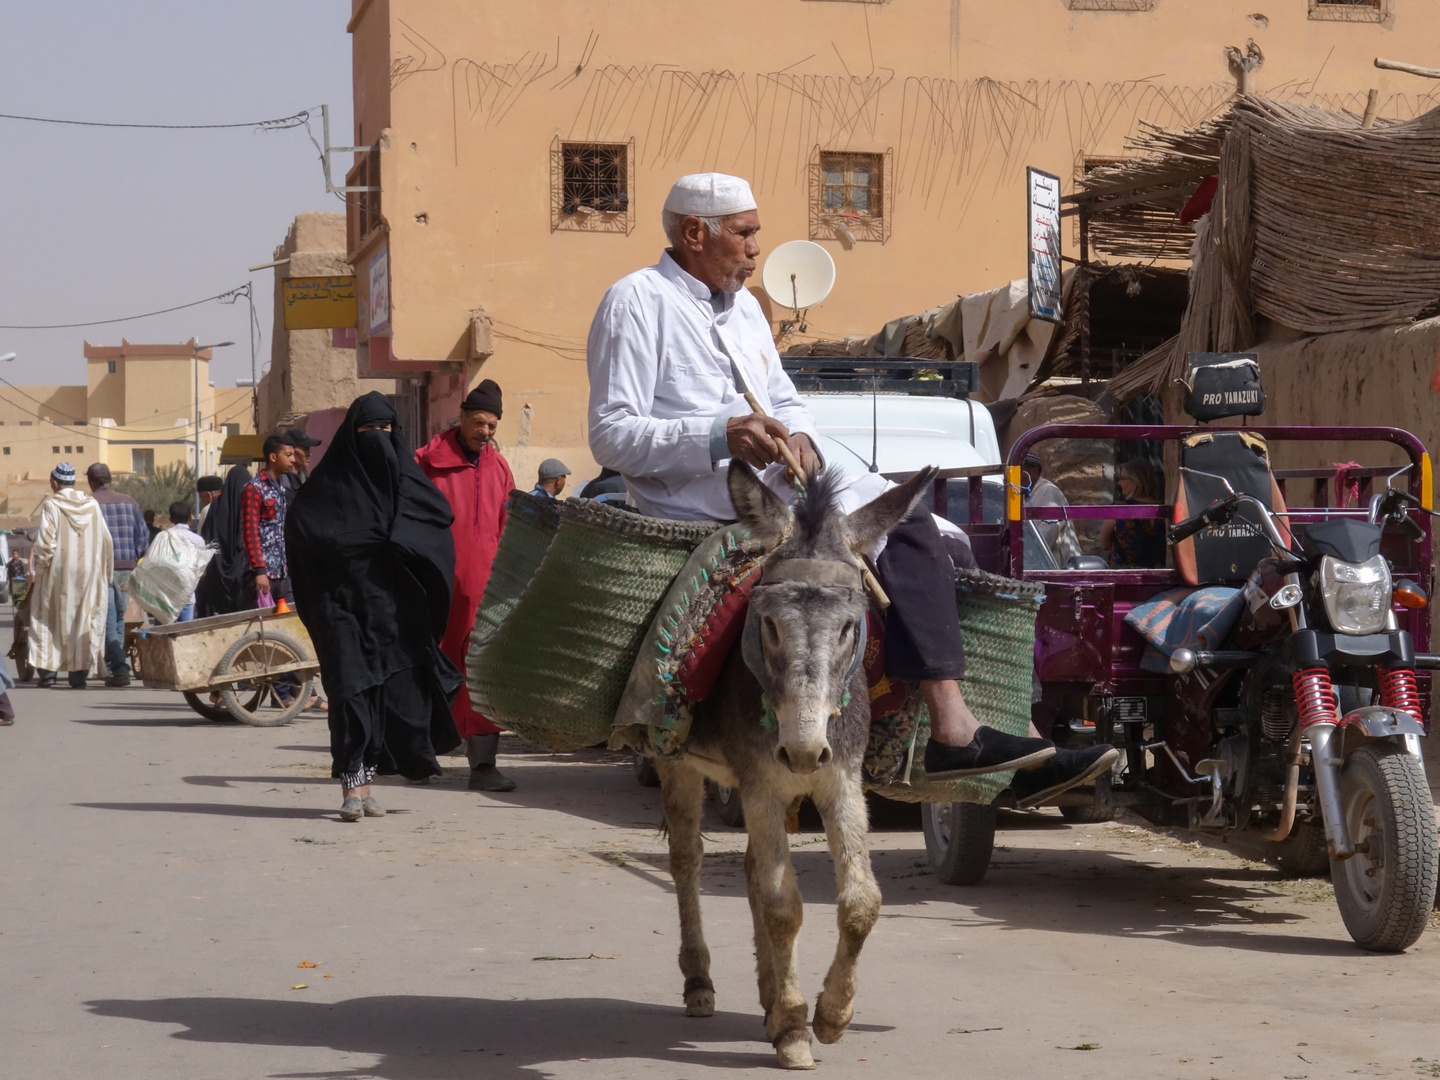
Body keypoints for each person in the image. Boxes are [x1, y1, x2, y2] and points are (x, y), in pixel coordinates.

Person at [586, 172, 1116, 804]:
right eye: (746, 233)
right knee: (909, 525)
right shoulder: (636, 301)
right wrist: (718, 436)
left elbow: (785, 398)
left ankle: (1014, 737)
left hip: (787, 483)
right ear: (696, 233)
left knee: (949, 541)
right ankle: (952, 728)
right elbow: (611, 436)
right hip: (710, 496)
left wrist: (802, 436)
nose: (757, 249)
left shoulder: (749, 310)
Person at [288, 393, 462, 821]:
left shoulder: (409, 488)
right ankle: (351, 785)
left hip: (392, 613)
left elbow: (436, 529)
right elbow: (306, 536)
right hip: (341, 610)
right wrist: (354, 544)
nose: (379, 441)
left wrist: (402, 545)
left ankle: (369, 783)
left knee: (385, 697)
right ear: (352, 435)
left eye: (386, 431)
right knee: (350, 694)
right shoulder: (323, 493)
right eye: (369, 432)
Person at [415, 380, 517, 792]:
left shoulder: (500, 467)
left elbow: (508, 528)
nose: (485, 432)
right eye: (479, 423)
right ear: (462, 416)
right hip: (436, 588)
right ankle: (418, 755)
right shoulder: (426, 462)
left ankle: (483, 765)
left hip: (486, 591)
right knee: (429, 667)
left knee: (483, 671)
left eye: (492, 426)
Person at [29, 464, 112, 689]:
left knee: (48, 620)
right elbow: (106, 540)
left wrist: (41, 569)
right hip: (89, 575)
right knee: (83, 621)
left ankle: (48, 674)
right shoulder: (92, 504)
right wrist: (106, 573)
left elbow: (45, 543)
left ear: (54, 483)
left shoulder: (52, 504)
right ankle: (78, 676)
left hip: (58, 574)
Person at [87, 462, 148, 687]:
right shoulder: (130, 502)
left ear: (91, 482)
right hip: (127, 569)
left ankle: (120, 669)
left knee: (108, 619)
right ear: (110, 479)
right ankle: (118, 664)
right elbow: (143, 536)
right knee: (120, 618)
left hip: (103, 570)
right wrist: (133, 558)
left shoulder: (91, 504)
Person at [239, 435, 295, 609]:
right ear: (273, 457)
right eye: (288, 455)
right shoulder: (253, 489)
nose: (293, 460)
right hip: (262, 575)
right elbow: (250, 532)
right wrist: (260, 571)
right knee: (262, 629)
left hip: (282, 573)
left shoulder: (281, 489)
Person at [195, 465, 250, 617]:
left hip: (217, 574)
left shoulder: (213, 510)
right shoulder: (249, 509)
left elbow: (205, 542)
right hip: (243, 575)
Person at [1020, 453, 1083, 570]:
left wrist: (1024, 554)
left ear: (1033, 472)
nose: (1014, 479)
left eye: (1019, 473)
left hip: (1059, 567)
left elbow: (1048, 533)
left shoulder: (1048, 491)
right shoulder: (1026, 496)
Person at [1102, 457, 1167, 569]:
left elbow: (1105, 544)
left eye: (1122, 478)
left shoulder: (1119, 509)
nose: (1119, 482)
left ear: (1135, 480)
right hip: (1157, 572)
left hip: (1122, 573)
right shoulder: (1164, 508)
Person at [162, 499, 207, 622]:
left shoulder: (163, 537)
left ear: (170, 519)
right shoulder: (198, 540)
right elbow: (201, 569)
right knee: (184, 635)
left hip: (165, 598)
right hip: (187, 597)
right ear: (190, 519)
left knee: (164, 634)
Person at [282, 429, 322, 505]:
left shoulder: (306, 481)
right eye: (305, 449)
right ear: (290, 450)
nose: (309, 454)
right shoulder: (282, 482)